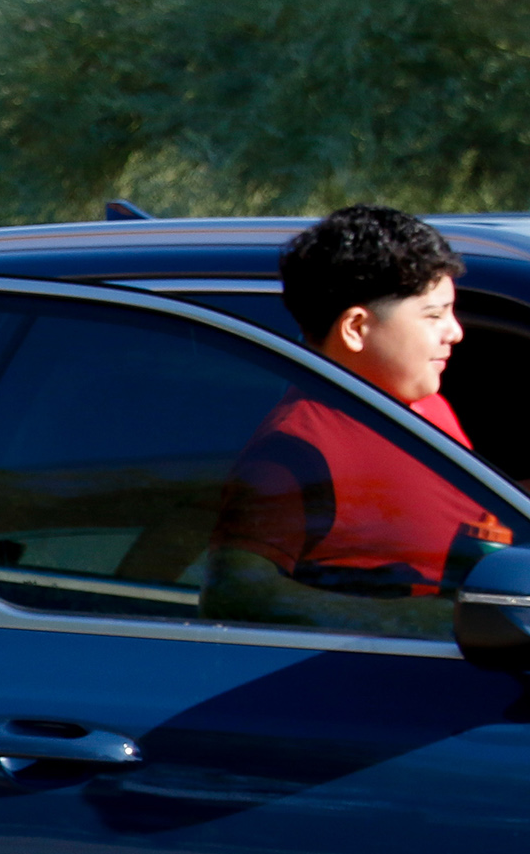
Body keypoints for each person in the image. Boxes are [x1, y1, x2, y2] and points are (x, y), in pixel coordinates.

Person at [205, 204, 511, 636]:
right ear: (355, 328)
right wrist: (412, 620)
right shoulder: (297, 449)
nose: (455, 331)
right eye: (434, 315)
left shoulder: (423, 406)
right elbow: (235, 591)